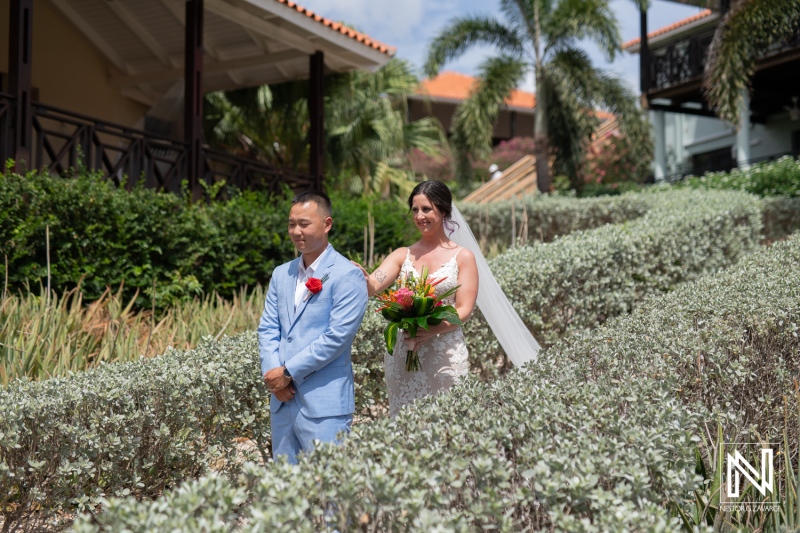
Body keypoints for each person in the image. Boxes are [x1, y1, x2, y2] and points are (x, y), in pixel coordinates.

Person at [258, 191, 368, 463]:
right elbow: (269, 328)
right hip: (282, 401)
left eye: (304, 224)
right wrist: (274, 377)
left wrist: (288, 372)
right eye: (291, 224)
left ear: (327, 224)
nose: (296, 231)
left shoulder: (347, 274)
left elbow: (337, 337)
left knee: (330, 492)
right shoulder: (280, 273)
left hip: (325, 404)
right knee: (286, 492)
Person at [353, 181, 479, 416]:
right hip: (404, 355)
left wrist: (432, 329)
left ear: (443, 211)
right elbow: (372, 285)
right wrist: (356, 273)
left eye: (426, 209)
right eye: (415, 210)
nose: (420, 216)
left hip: (445, 355)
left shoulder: (463, 257)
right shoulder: (402, 255)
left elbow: (464, 310)